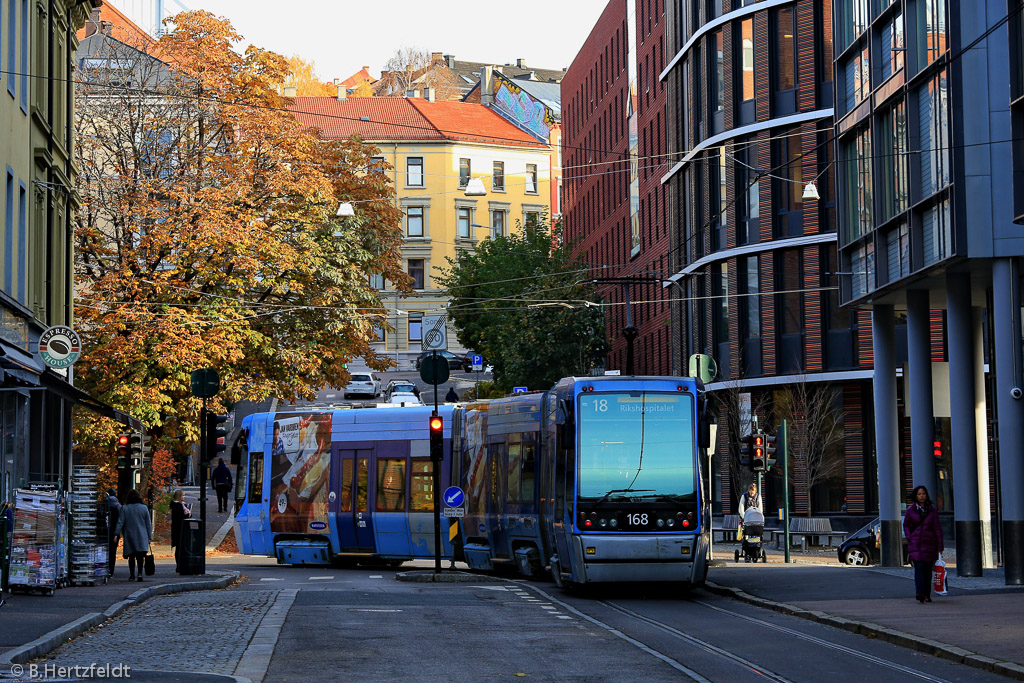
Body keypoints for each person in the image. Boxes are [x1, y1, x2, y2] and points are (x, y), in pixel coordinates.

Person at [903, 485, 944, 603]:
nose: (922, 496)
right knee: (919, 569)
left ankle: (927, 593)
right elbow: (906, 525)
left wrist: (940, 546)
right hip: (916, 544)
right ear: (916, 496)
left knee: (927, 571)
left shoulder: (932, 510)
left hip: (929, 544)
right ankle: (920, 593)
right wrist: (910, 537)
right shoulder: (911, 510)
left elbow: (937, 528)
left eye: (923, 493)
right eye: (919, 494)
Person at [115, 489, 151, 582]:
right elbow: (148, 523)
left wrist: (116, 533)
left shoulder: (125, 508)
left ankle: (132, 575)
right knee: (140, 556)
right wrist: (149, 536)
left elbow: (120, 522)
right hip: (142, 534)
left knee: (131, 556)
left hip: (130, 534)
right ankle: (140, 573)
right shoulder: (144, 508)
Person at [170, 490, 190, 573]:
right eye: (183, 495)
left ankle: (181, 565)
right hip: (179, 529)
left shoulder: (182, 505)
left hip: (180, 528)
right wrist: (187, 514)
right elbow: (180, 517)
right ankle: (179, 565)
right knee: (179, 548)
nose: (184, 497)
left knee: (180, 547)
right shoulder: (177, 506)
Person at [105, 489, 122, 577]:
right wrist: (117, 533)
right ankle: (111, 570)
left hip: (104, 531)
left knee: (104, 551)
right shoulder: (118, 506)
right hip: (114, 532)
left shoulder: (104, 505)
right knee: (113, 552)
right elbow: (120, 521)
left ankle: (104, 569)